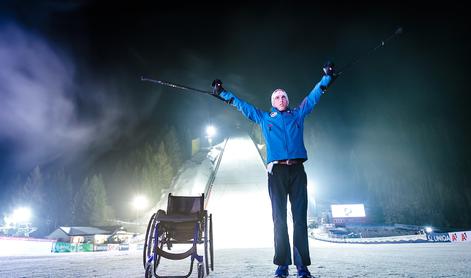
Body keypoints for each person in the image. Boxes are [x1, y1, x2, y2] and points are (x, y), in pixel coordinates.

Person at [211, 62, 336, 278]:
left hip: (297, 171)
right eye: (277, 97)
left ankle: (302, 267)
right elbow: (242, 105)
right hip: (276, 172)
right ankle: (282, 265)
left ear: (288, 100)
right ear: (272, 102)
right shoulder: (265, 118)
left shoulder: (297, 115)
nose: (281, 99)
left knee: (299, 219)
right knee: (279, 219)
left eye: (284, 96)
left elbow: (314, 96)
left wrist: (327, 78)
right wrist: (222, 93)